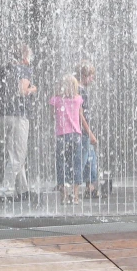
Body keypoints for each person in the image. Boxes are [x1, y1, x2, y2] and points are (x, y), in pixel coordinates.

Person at [0, 43, 37, 200]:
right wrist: (34, 89)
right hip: (18, 116)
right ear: (25, 57)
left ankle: (23, 190)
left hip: (2, 116)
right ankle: (5, 191)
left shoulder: (5, 69)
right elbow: (22, 91)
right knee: (18, 155)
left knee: (15, 153)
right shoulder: (23, 69)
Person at [49, 74, 86, 204]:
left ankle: (64, 196)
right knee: (76, 164)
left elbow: (52, 115)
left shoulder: (56, 100)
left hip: (61, 136)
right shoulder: (78, 99)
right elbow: (81, 115)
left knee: (62, 165)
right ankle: (75, 196)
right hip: (76, 135)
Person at [75, 61, 99, 198]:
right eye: (91, 76)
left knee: (91, 159)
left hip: (83, 131)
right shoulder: (80, 91)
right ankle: (74, 191)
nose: (92, 79)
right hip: (82, 132)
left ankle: (90, 188)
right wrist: (90, 133)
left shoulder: (78, 89)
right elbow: (80, 115)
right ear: (84, 75)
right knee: (82, 161)